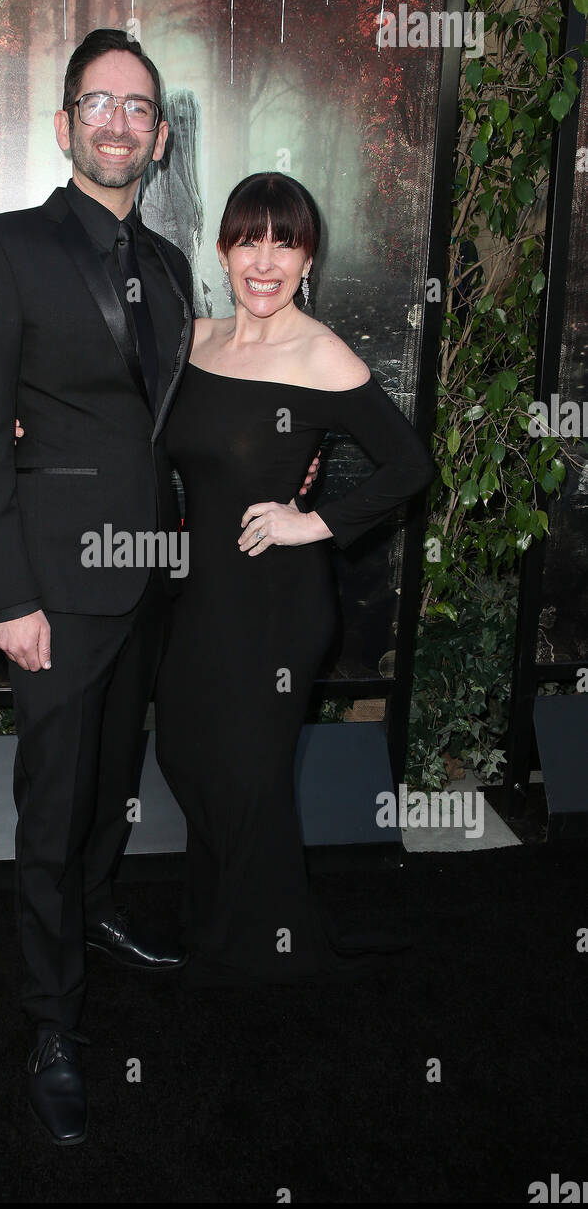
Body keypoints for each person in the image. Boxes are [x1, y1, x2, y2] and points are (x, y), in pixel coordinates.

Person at [0, 30, 312, 1148]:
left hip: (148, 580)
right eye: (97, 103)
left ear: (157, 138)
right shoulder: (0, 247)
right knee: (51, 809)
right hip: (52, 592)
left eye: (138, 108)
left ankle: (98, 912)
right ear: (65, 127)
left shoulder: (164, 264)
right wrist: (9, 597)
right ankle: (52, 1021)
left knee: (109, 783)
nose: (118, 121)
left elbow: (183, 412)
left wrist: (277, 453)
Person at [154, 171, 437, 988]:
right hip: (201, 593)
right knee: (185, 752)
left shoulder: (321, 354)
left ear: (308, 258)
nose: (266, 259)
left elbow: (410, 463)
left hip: (277, 605)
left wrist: (314, 522)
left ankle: (264, 951)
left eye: (287, 241)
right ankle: (221, 922)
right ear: (223, 251)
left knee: (249, 773)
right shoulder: (195, 338)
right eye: (249, 239)